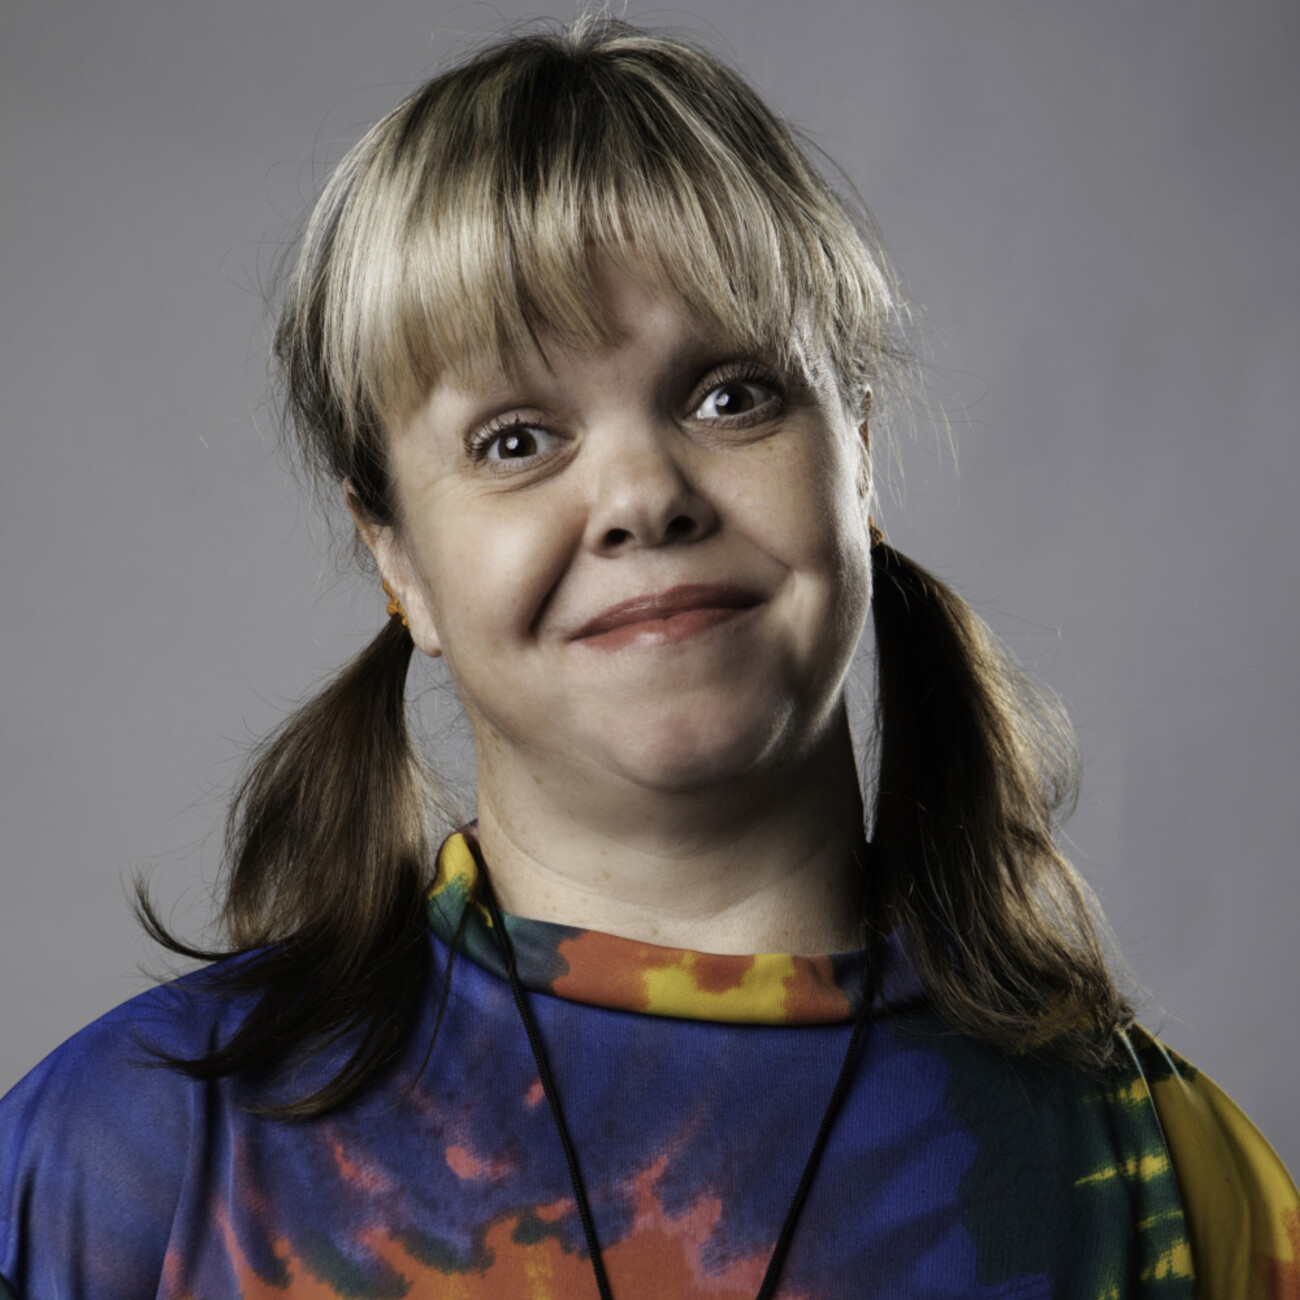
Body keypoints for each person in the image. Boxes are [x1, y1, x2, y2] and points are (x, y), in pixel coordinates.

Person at [0, 15, 1295, 1299]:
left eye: (731, 395)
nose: (642, 497)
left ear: (858, 452)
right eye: (516, 440)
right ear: (394, 555)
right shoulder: (125, 1166)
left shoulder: (1166, 1179)